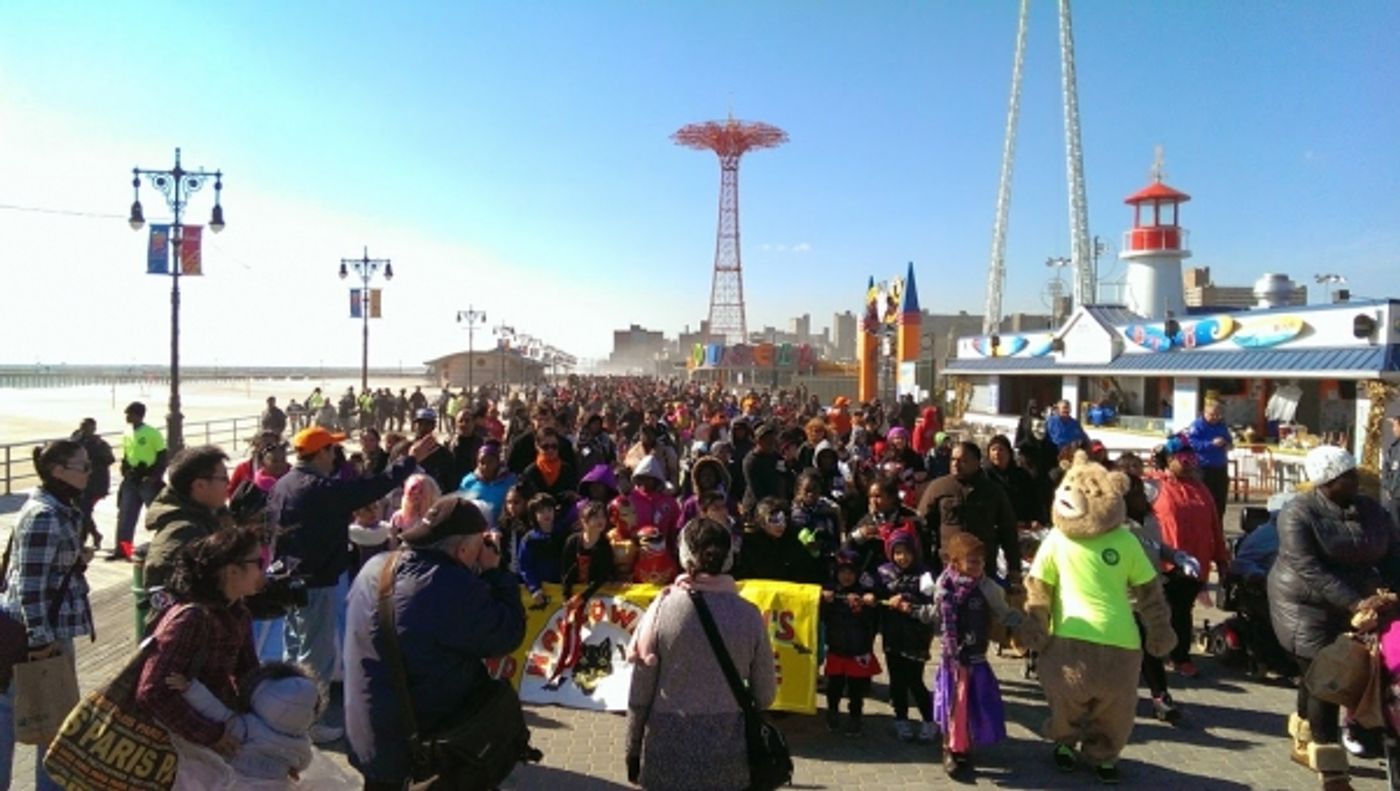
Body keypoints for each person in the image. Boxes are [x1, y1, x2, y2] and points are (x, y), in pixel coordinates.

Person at [344, 496, 525, 789]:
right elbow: (507, 634)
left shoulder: (375, 566)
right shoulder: (448, 585)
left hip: (369, 733)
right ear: (463, 548)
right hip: (428, 745)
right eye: (479, 544)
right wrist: (494, 572)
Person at [269, 426, 434, 743]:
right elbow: (367, 490)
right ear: (318, 453)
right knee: (315, 656)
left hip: (288, 582)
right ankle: (309, 724)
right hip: (314, 581)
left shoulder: (283, 484)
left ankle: (286, 714)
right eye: (331, 450)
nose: (335, 456)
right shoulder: (318, 487)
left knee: (293, 651)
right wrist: (408, 461)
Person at [1269, 446, 1400, 789]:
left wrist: (1392, 591)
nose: (1356, 481)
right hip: (1303, 606)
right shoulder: (1297, 513)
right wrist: (1356, 602)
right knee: (1326, 682)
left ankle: (1301, 735)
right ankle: (1333, 770)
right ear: (1325, 483)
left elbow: (1392, 555)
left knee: (1316, 678)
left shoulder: (1371, 510)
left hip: (1359, 602)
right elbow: (1309, 568)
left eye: (1354, 473)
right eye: (1347, 477)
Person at [626, 518, 776, 790]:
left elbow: (640, 692)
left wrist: (633, 749)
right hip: (728, 753)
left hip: (666, 750)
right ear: (729, 557)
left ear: (684, 556)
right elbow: (765, 694)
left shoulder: (661, 611)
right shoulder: (750, 615)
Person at [0, 440, 94, 790]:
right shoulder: (44, 516)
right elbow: (28, 586)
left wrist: (75, 562)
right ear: (58, 471)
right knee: (41, 722)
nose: (89, 472)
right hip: (36, 638)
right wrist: (40, 643)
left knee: (51, 723)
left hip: (43, 633)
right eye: (83, 466)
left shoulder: (59, 508)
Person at [134, 526, 264, 779]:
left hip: (213, 738)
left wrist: (272, 742)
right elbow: (152, 691)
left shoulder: (237, 611)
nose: (263, 570)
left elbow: (249, 675)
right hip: (180, 751)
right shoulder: (192, 618)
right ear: (232, 571)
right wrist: (209, 735)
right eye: (257, 562)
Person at [931, 532, 1023, 776]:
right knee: (953, 705)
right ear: (955, 563)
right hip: (952, 659)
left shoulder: (988, 587)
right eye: (971, 562)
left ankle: (966, 747)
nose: (977, 567)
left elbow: (1004, 613)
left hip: (976, 657)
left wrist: (1026, 620)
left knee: (974, 704)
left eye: (980, 562)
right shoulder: (944, 587)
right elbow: (935, 616)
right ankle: (949, 749)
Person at [163, 660, 321, 783]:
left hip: (237, 782)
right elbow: (303, 763)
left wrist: (190, 688)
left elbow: (214, 709)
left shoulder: (248, 727)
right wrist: (292, 768)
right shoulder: (301, 742)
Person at [1149, 438, 1230, 678]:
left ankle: (1180, 656)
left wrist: (1221, 559)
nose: (1186, 463)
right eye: (1180, 458)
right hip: (1163, 563)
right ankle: (1154, 654)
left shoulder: (1201, 488)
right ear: (1168, 460)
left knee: (1182, 611)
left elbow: (1215, 526)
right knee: (1158, 610)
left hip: (1195, 564)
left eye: (1189, 458)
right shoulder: (1153, 486)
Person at [917, 442, 1021, 587]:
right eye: (953, 459)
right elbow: (923, 526)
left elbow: (1008, 530)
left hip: (982, 570)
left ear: (977, 462)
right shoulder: (938, 487)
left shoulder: (993, 491)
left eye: (963, 460)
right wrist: (926, 564)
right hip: (948, 568)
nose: (956, 464)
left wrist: (1014, 568)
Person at [142, 446, 234, 609]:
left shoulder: (212, 517)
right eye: (224, 478)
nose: (229, 483)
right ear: (199, 485)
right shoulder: (182, 533)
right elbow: (160, 600)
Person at [877, 530, 938, 742]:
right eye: (897, 552)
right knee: (896, 681)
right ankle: (901, 719)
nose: (902, 557)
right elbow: (877, 596)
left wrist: (905, 601)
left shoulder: (925, 574)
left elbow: (932, 604)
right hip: (892, 635)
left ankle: (930, 720)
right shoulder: (883, 573)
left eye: (906, 552)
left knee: (915, 680)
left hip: (916, 637)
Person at [821, 549, 881, 736]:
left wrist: (869, 603)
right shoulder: (831, 592)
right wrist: (824, 600)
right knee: (834, 686)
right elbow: (822, 617)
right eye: (842, 572)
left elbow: (874, 621)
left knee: (856, 689)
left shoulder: (865, 593)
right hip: (836, 648)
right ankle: (832, 712)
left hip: (859, 650)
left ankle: (856, 716)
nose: (846, 577)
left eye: (850, 573)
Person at [112, 400, 168, 561]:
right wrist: (124, 468)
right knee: (126, 517)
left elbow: (162, 456)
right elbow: (127, 453)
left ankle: (163, 546)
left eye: (129, 414)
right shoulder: (127, 432)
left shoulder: (152, 433)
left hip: (147, 480)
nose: (126, 417)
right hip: (131, 479)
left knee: (158, 515)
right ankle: (124, 550)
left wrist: (154, 476)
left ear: (138, 415)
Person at [70, 417, 115, 549]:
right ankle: (95, 535)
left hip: (95, 484)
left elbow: (109, 459)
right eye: (82, 426)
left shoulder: (100, 444)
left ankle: (81, 542)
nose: (84, 429)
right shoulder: (76, 439)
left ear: (94, 428)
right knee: (80, 512)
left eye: (87, 427)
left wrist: (93, 457)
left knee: (84, 512)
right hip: (78, 482)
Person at [1185, 399, 1233, 518]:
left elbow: (1229, 441)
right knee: (1204, 500)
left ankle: (1218, 528)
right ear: (1204, 413)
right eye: (1212, 415)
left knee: (1220, 502)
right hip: (1203, 468)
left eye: (1218, 415)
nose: (1215, 417)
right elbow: (1191, 443)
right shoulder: (1197, 426)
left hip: (1220, 468)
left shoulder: (1221, 426)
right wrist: (1211, 444)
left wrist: (1228, 445)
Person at [457, 440, 515, 529]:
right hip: (475, 533)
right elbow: (460, 509)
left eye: (490, 461)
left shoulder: (510, 481)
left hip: (503, 531)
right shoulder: (468, 481)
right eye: (482, 462)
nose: (485, 466)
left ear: (498, 462)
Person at [1383, 414, 1400, 529]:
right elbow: (1387, 468)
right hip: (1395, 495)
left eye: (1394, 426)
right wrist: (1388, 487)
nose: (1393, 429)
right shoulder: (1394, 448)